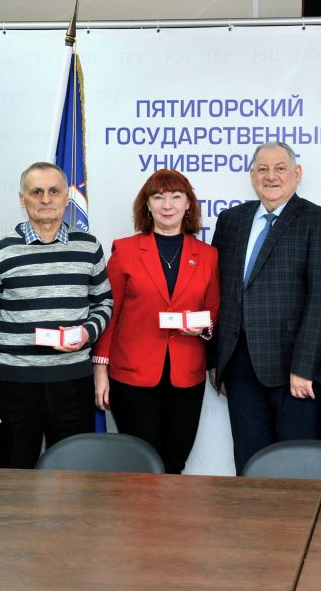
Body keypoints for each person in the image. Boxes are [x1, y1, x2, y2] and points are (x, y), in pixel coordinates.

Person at [209, 141, 321, 474]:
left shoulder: (319, 220)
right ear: (252, 175)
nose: (271, 176)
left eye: (280, 168)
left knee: (298, 470)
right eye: (263, 169)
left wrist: (304, 367)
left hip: (294, 369)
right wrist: (218, 361)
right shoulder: (231, 221)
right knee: (250, 467)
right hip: (240, 366)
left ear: (297, 173)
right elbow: (217, 292)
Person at [0, 162, 113, 469]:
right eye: (36, 192)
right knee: (11, 480)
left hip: (73, 383)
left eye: (54, 191)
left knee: (74, 478)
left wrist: (87, 332)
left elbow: (104, 303)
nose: (46, 199)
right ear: (22, 199)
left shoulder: (89, 247)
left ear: (66, 197)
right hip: (15, 386)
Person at [92, 169, 220, 473]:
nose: (168, 205)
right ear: (147, 205)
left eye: (176, 196)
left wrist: (203, 327)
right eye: (158, 197)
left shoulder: (207, 255)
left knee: (174, 463)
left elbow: (213, 311)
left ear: (188, 204)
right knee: (142, 465)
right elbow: (109, 312)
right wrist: (100, 370)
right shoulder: (125, 250)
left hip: (186, 376)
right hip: (132, 376)